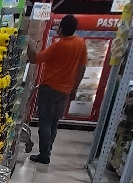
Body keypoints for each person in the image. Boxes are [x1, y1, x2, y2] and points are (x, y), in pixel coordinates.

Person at [26, 14, 88, 165]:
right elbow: (82, 68)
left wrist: (26, 42)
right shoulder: (81, 44)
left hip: (49, 88)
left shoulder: (59, 45)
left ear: (61, 28)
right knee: (54, 123)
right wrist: (75, 88)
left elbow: (35, 59)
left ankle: (44, 154)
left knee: (45, 123)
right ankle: (48, 150)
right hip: (65, 91)